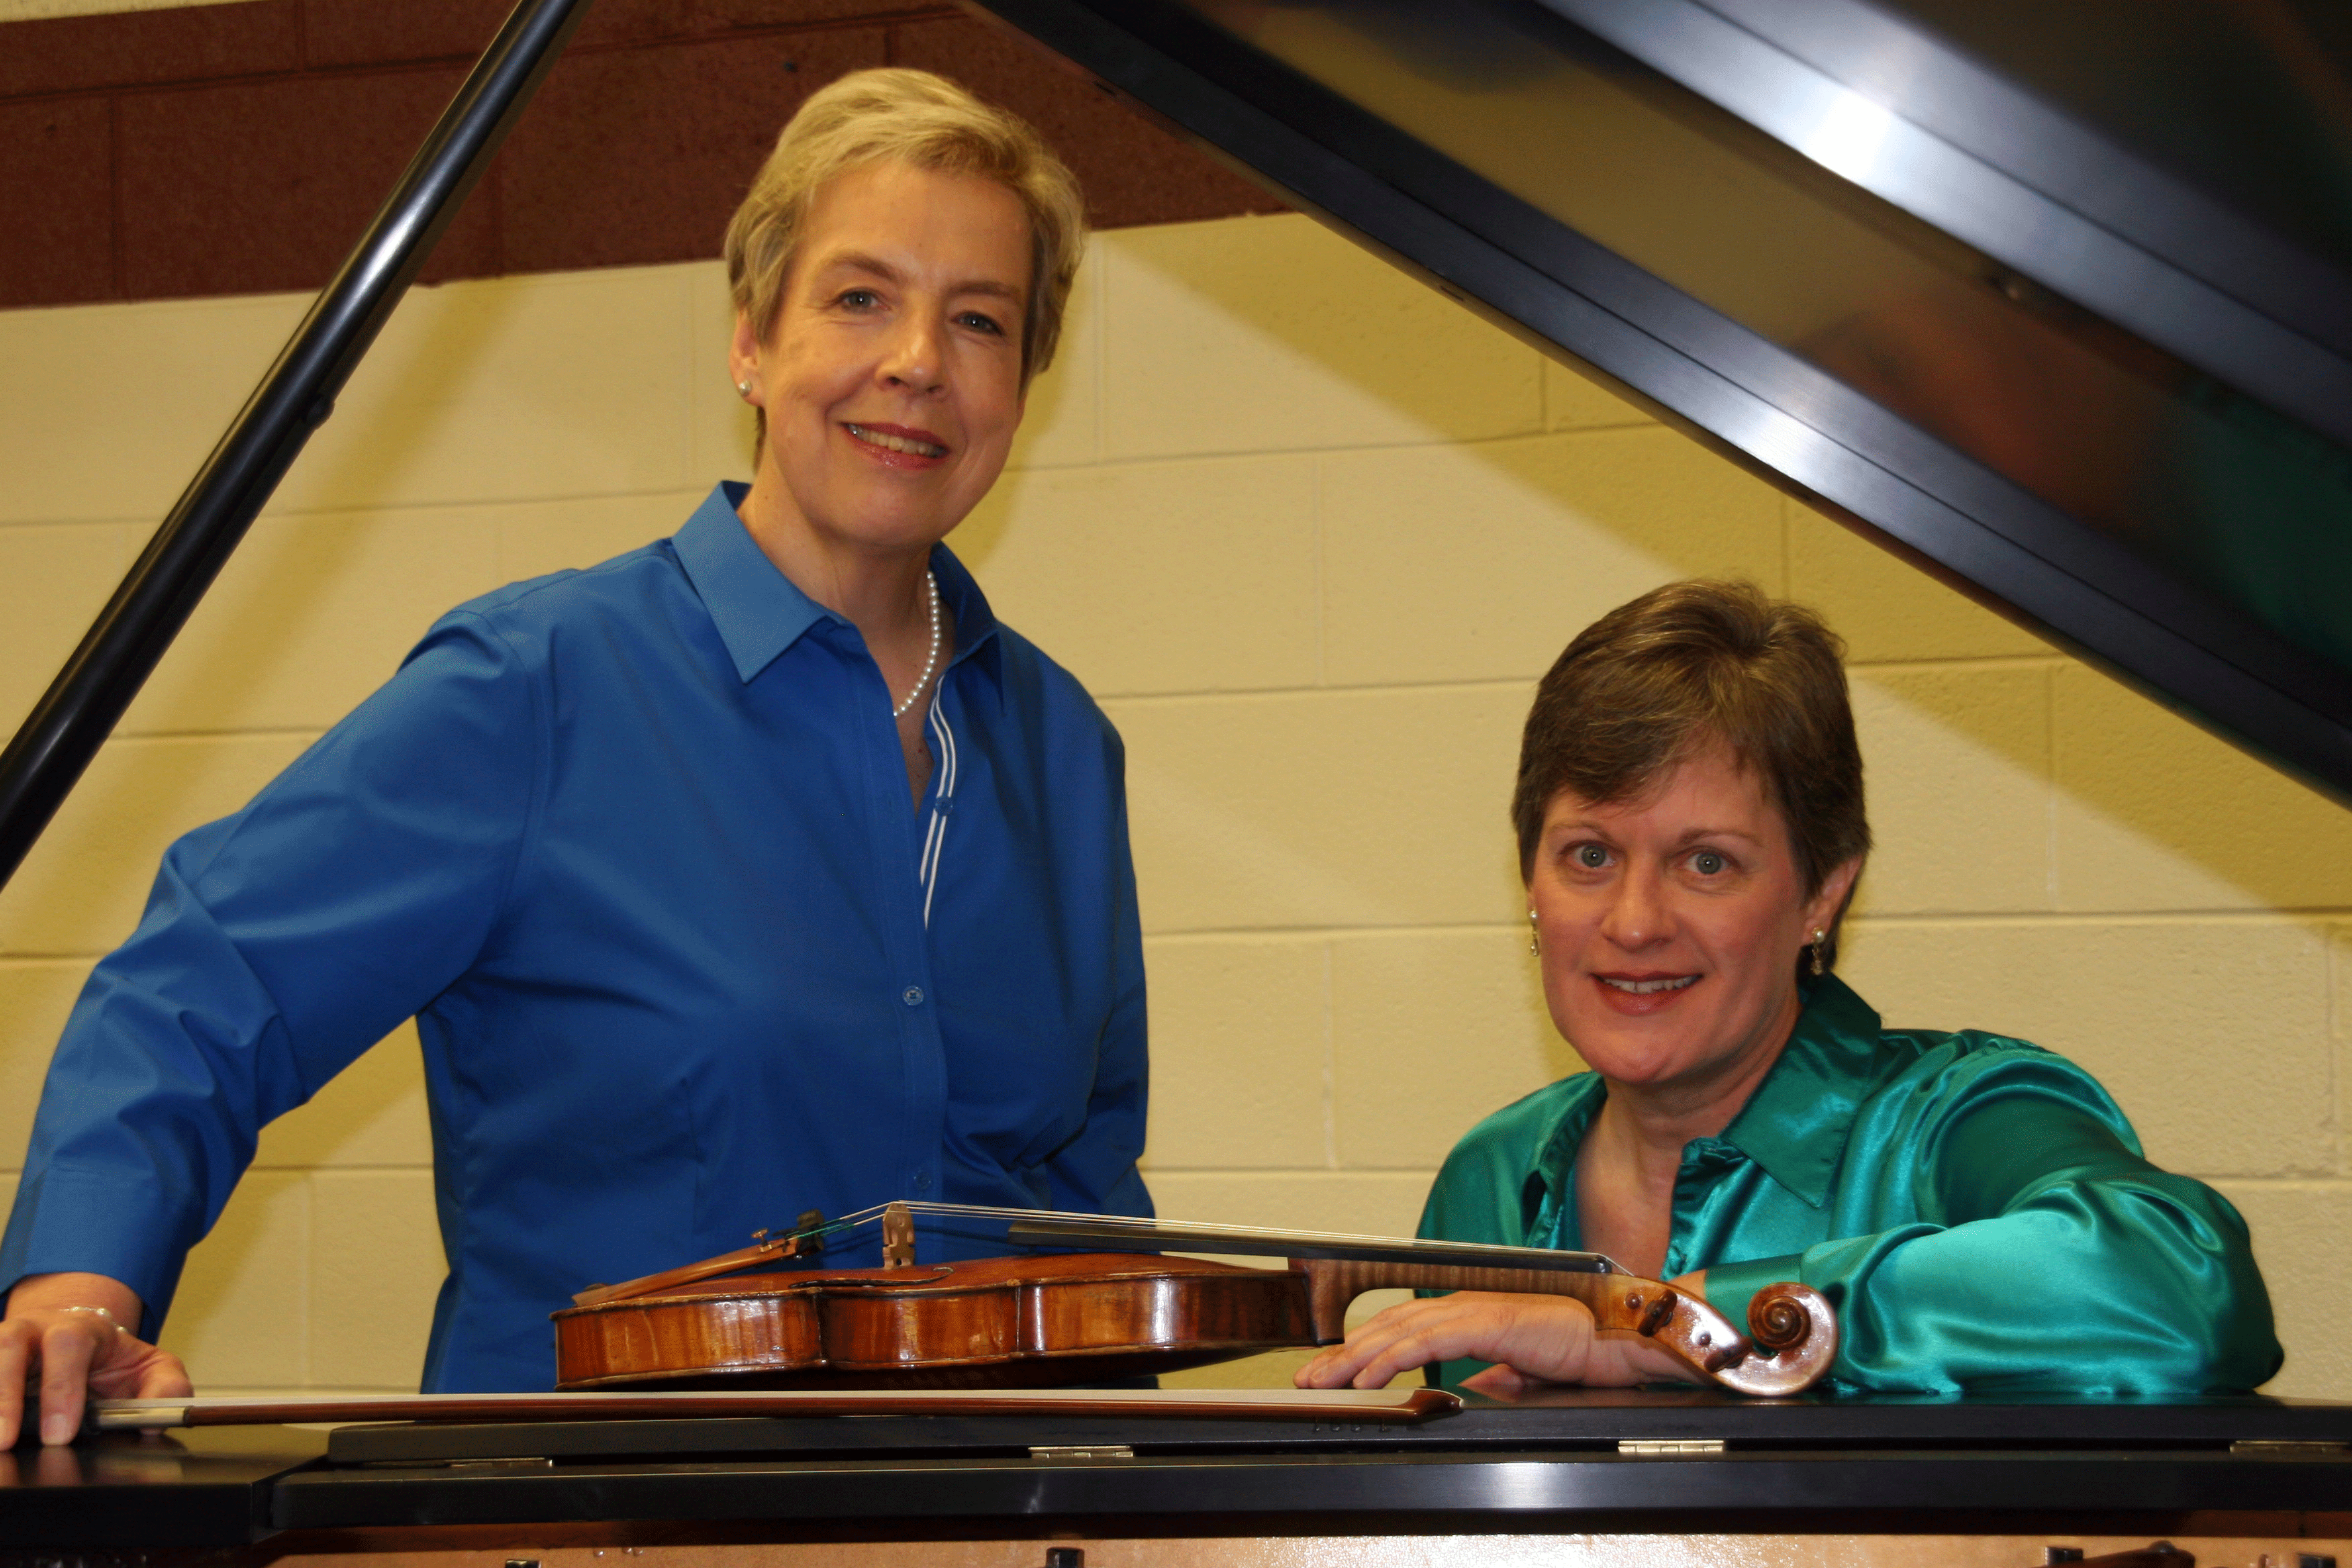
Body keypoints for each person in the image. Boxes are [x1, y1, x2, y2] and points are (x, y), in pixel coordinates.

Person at [0, 68, 1149, 1442]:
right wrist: (80, 1280)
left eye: (980, 320)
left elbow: (1084, 1199)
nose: (917, 360)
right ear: (749, 340)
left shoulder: (1063, 748)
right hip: (589, 1515)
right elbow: (202, 985)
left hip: (976, 1525)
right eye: (859, 296)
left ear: (1023, 385)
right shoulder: (537, 685)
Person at [1299, 579, 2280, 1395]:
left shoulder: (1953, 1118)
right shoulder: (1491, 1178)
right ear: (1529, 881)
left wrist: (1660, 1332)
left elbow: (2183, 1296)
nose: (1635, 921)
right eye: (1589, 855)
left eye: (1708, 864)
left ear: (1823, 890)